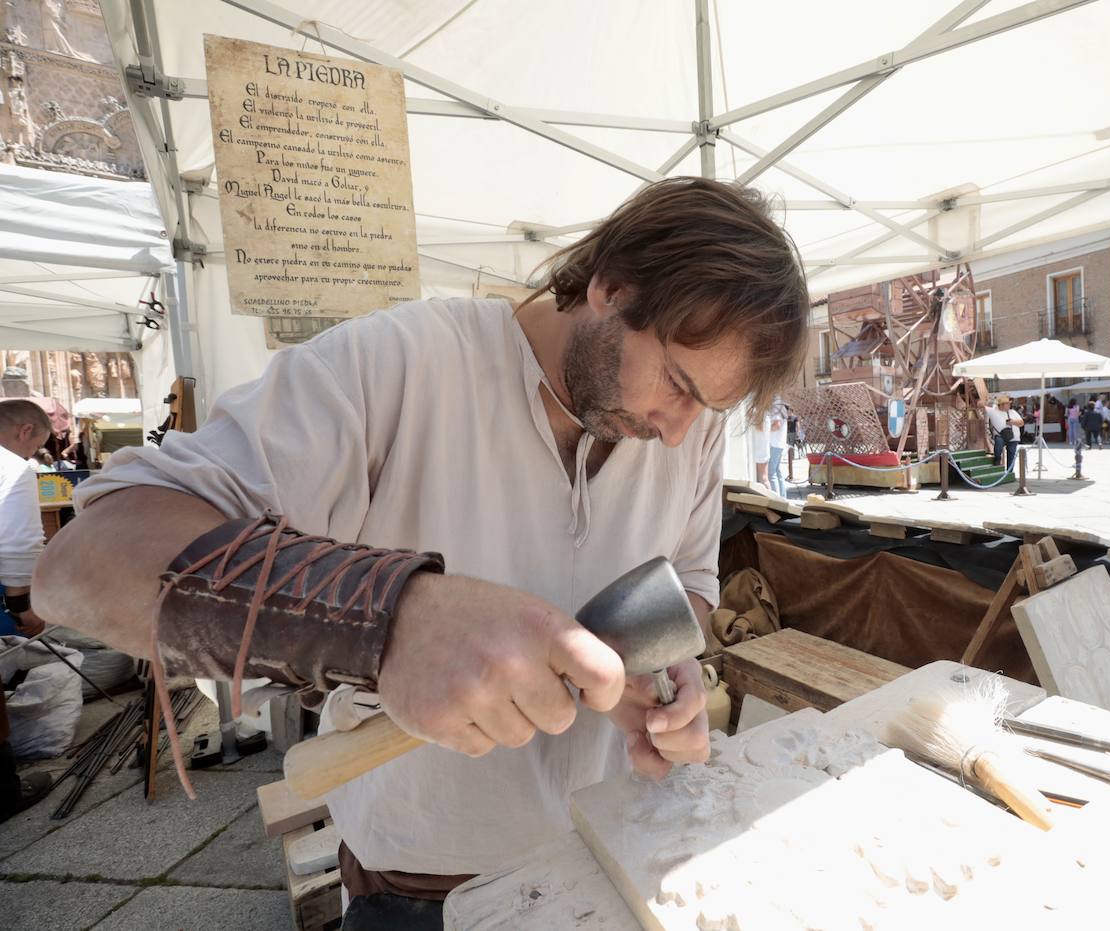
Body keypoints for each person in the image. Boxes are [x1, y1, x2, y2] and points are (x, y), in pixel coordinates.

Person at [31, 178, 810, 920]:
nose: (678, 430)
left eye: (708, 408)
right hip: (423, 882)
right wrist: (391, 619)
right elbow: (90, 560)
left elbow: (692, 582)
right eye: (676, 382)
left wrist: (664, 665)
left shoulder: (689, 431)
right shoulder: (397, 364)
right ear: (612, 287)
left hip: (612, 851)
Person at [0, 399, 55, 821]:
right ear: (24, 431)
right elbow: (19, 544)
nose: (30, 456)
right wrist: (24, 608)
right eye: (34, 446)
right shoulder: (11, 469)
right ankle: (4, 794)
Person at [986, 396, 1022, 469]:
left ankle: (1009, 472)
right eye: (1007, 403)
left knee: (1011, 456)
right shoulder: (993, 411)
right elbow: (980, 404)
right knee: (998, 447)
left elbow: (1022, 422)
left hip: (1013, 437)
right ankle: (997, 461)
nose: (1009, 405)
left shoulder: (1013, 412)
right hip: (1000, 436)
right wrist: (989, 401)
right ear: (1001, 405)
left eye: (1009, 403)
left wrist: (1013, 422)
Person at [765, 396, 788, 498]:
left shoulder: (775, 405)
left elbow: (777, 425)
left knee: (771, 474)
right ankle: (783, 498)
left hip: (774, 443)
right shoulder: (781, 406)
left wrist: (764, 430)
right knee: (778, 472)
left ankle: (777, 500)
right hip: (780, 443)